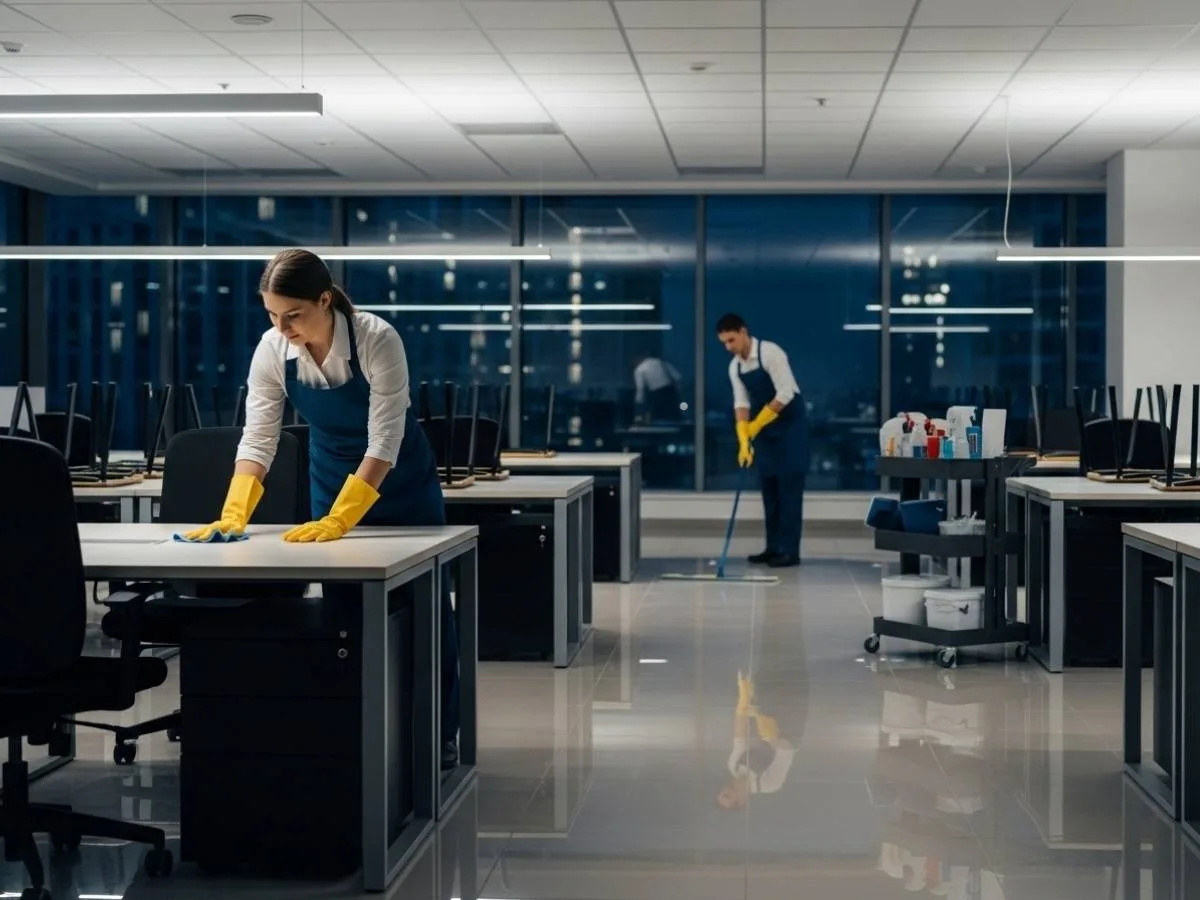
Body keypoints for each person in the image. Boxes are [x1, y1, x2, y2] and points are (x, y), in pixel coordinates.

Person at [183, 248, 461, 768]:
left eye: (293, 314)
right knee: (344, 612)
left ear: (325, 299)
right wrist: (235, 509)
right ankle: (356, 732)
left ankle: (437, 732)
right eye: (272, 315)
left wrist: (343, 516)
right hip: (331, 479)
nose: (281, 327)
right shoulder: (272, 350)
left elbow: (385, 439)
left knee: (425, 612)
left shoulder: (376, 338)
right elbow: (259, 437)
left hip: (400, 481)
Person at [716, 313, 808, 568]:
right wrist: (743, 438)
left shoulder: (770, 353)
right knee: (770, 491)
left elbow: (786, 393)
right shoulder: (735, 367)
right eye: (724, 343)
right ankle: (773, 547)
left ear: (743, 332)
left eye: (731, 340)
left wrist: (756, 424)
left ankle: (789, 551)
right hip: (766, 433)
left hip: (790, 428)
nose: (728, 347)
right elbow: (741, 403)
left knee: (789, 492)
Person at [633, 354, 682, 422]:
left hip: (657, 395)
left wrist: (638, 405)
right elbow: (678, 377)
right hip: (670, 392)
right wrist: (678, 392)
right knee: (674, 418)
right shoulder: (662, 362)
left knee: (659, 419)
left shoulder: (639, 369)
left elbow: (641, 389)